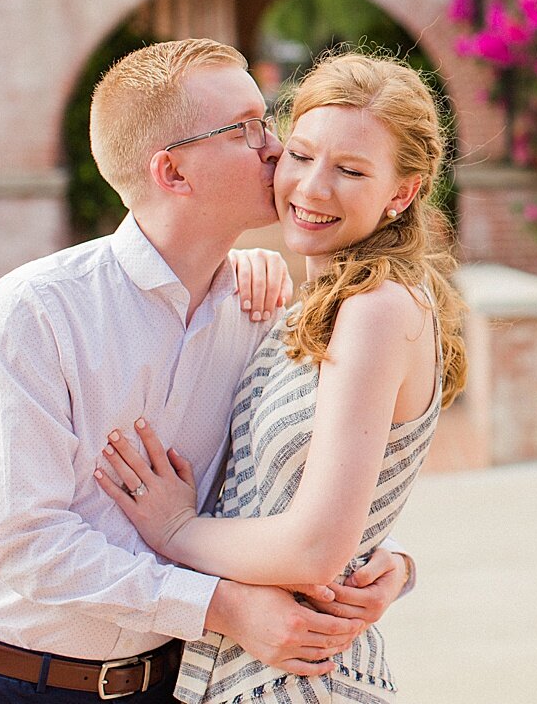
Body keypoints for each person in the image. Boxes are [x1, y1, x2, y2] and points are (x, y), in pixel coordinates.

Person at [0, 40, 415, 704]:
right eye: (246, 129)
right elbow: (29, 543)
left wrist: (388, 565)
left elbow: (285, 481)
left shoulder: (261, 309)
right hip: (7, 678)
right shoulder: (35, 310)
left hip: (165, 684)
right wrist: (220, 607)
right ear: (173, 173)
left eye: (266, 122)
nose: (275, 147)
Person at [96, 51, 467, 703]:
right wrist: (393, 561)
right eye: (299, 155)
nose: (312, 188)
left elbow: (318, 546)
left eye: (351, 171)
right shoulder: (312, 303)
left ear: (401, 193)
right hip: (244, 672)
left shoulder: (378, 309)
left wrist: (176, 530)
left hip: (298, 681)